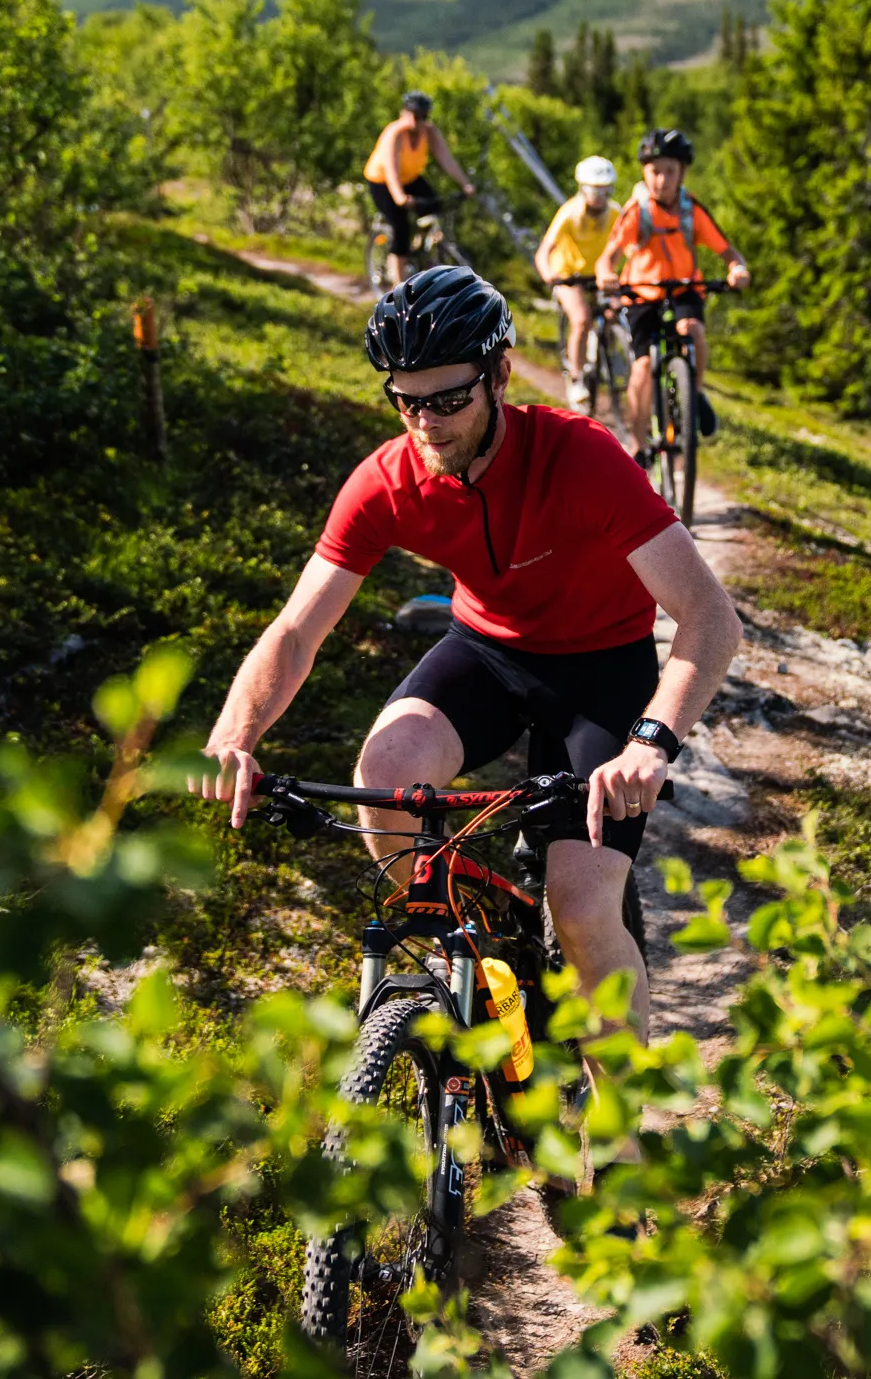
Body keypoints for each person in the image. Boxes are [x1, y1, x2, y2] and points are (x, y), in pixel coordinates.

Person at [187, 266, 744, 1053]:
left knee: (583, 910)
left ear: (500, 375)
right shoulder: (387, 482)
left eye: (449, 400)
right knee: (383, 774)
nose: (427, 424)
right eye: (406, 401)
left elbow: (710, 618)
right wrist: (233, 738)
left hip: (602, 672)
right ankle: (479, 959)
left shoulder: (580, 458)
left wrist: (650, 743)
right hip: (486, 653)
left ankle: (620, 1124)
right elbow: (295, 633)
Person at [595, 128, 750, 447]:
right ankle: (637, 446)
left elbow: (728, 252)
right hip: (641, 293)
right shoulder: (637, 211)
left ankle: (694, 393)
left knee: (693, 330)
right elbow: (607, 257)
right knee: (642, 368)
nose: (662, 180)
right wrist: (605, 274)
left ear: (682, 173)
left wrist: (737, 269)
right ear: (644, 172)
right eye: (655, 171)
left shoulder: (691, 210)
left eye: (670, 171)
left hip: (683, 288)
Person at [534, 155, 621, 414]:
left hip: (599, 275)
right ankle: (576, 378)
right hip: (568, 274)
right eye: (595, 190)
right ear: (583, 188)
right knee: (581, 319)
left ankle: (606, 353)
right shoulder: (570, 212)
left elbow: (627, 246)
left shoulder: (615, 212)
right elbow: (544, 251)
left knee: (616, 312)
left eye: (605, 190)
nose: (600, 197)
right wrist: (549, 274)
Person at [364, 92, 477, 286]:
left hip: (410, 178)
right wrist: (400, 198)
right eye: (416, 116)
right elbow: (391, 169)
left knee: (435, 206)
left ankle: (422, 250)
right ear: (404, 113)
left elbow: (446, 160)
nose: (420, 121)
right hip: (382, 181)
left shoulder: (429, 132)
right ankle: (398, 288)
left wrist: (465, 184)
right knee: (400, 227)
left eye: (424, 116)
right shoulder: (394, 133)